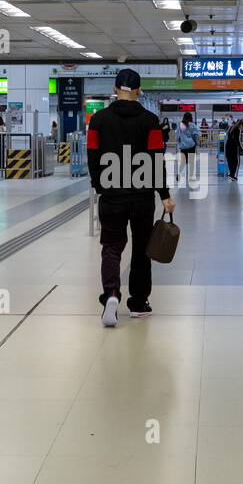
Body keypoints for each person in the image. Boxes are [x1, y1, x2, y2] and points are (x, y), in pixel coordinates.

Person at [87, 69, 174, 327]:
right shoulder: (150, 121)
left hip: (112, 194)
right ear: (138, 91)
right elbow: (157, 159)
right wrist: (165, 195)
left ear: (115, 89)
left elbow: (93, 156)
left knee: (112, 247)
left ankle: (111, 294)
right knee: (140, 249)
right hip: (142, 197)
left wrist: (100, 186)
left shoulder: (99, 120)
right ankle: (138, 302)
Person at [175, 111, 199, 181]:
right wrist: (196, 142)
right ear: (191, 118)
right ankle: (191, 177)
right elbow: (195, 135)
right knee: (191, 161)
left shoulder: (180, 125)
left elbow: (177, 135)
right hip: (191, 145)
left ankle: (179, 174)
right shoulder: (192, 125)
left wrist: (179, 142)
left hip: (183, 146)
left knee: (183, 161)